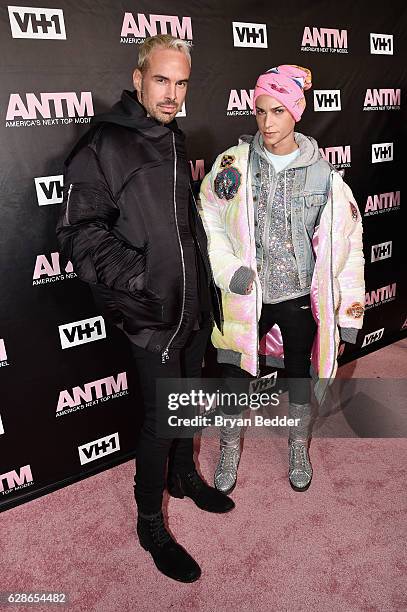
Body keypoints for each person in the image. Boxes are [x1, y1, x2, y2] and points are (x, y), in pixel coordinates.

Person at [57, 34, 233, 584]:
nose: (172, 93)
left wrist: (203, 285)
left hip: (193, 306)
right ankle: (149, 523)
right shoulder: (104, 144)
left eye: (181, 83)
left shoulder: (175, 138)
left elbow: (180, 227)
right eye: (162, 80)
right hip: (153, 311)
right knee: (161, 421)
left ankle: (184, 476)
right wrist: (143, 281)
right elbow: (80, 235)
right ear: (138, 77)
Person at [199, 64, 365, 494]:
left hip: (298, 298)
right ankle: (229, 449)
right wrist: (227, 270)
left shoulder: (325, 177)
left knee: (297, 378)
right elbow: (210, 220)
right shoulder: (232, 164)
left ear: (297, 111)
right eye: (260, 111)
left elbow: (348, 250)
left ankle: (297, 447)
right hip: (245, 296)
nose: (268, 122)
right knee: (234, 376)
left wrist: (347, 315)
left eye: (278, 111)